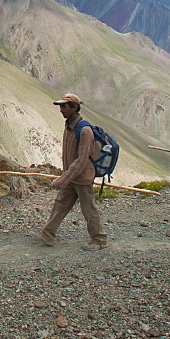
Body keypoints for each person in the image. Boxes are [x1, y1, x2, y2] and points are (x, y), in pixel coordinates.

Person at [36, 93, 109, 251]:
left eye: (64, 106)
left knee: (88, 209)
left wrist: (62, 179)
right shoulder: (69, 126)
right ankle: (47, 234)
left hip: (82, 179)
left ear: (74, 108)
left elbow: (82, 160)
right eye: (60, 106)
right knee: (60, 204)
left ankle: (99, 240)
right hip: (71, 177)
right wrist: (67, 177)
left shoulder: (84, 131)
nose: (61, 110)